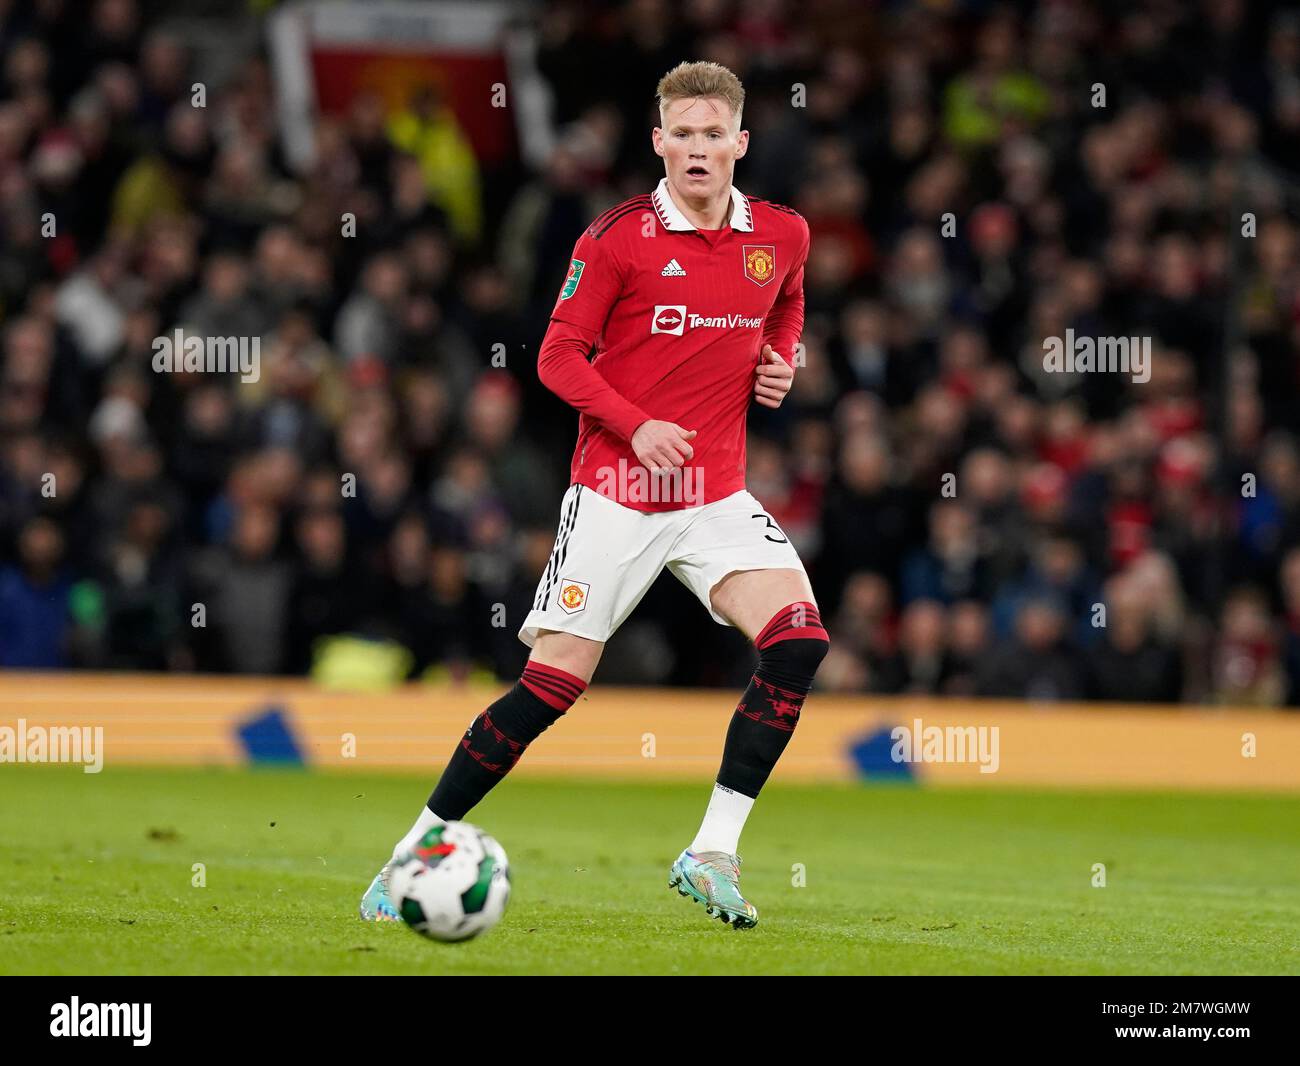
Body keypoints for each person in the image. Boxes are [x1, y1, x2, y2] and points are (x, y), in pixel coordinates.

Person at [360, 60, 828, 930]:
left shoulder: (784, 235)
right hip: (615, 494)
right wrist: (638, 426)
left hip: (714, 495)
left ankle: (712, 851)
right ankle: (407, 857)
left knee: (798, 644)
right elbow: (555, 357)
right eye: (680, 135)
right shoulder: (615, 239)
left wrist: (783, 356)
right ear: (658, 142)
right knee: (553, 685)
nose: (696, 150)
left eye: (712, 134)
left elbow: (787, 302)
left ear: (740, 143)